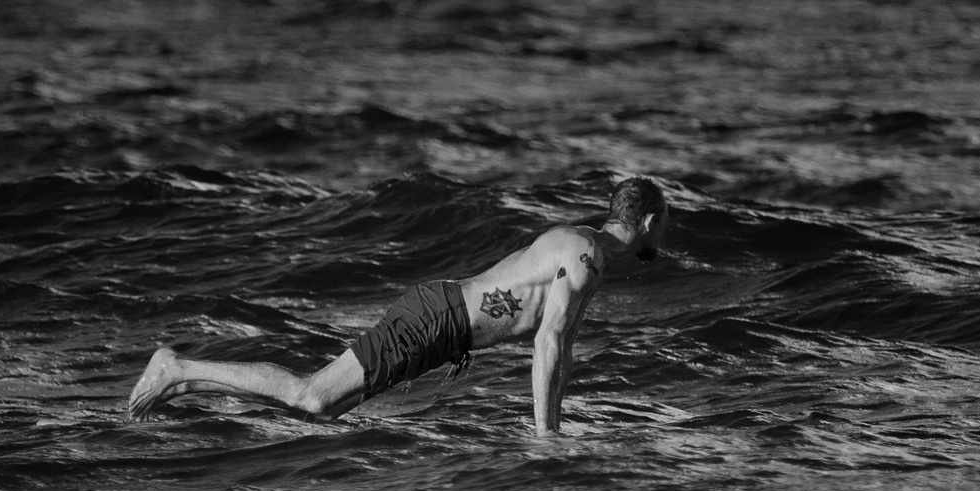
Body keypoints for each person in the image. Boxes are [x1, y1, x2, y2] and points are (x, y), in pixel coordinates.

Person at [126, 176, 667, 432]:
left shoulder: (585, 252)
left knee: (326, 408)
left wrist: (559, 424)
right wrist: (547, 439)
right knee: (314, 398)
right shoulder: (587, 256)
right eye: (665, 226)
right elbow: (547, 343)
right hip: (438, 318)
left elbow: (561, 348)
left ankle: (181, 380)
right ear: (648, 222)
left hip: (443, 326)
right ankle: (179, 365)